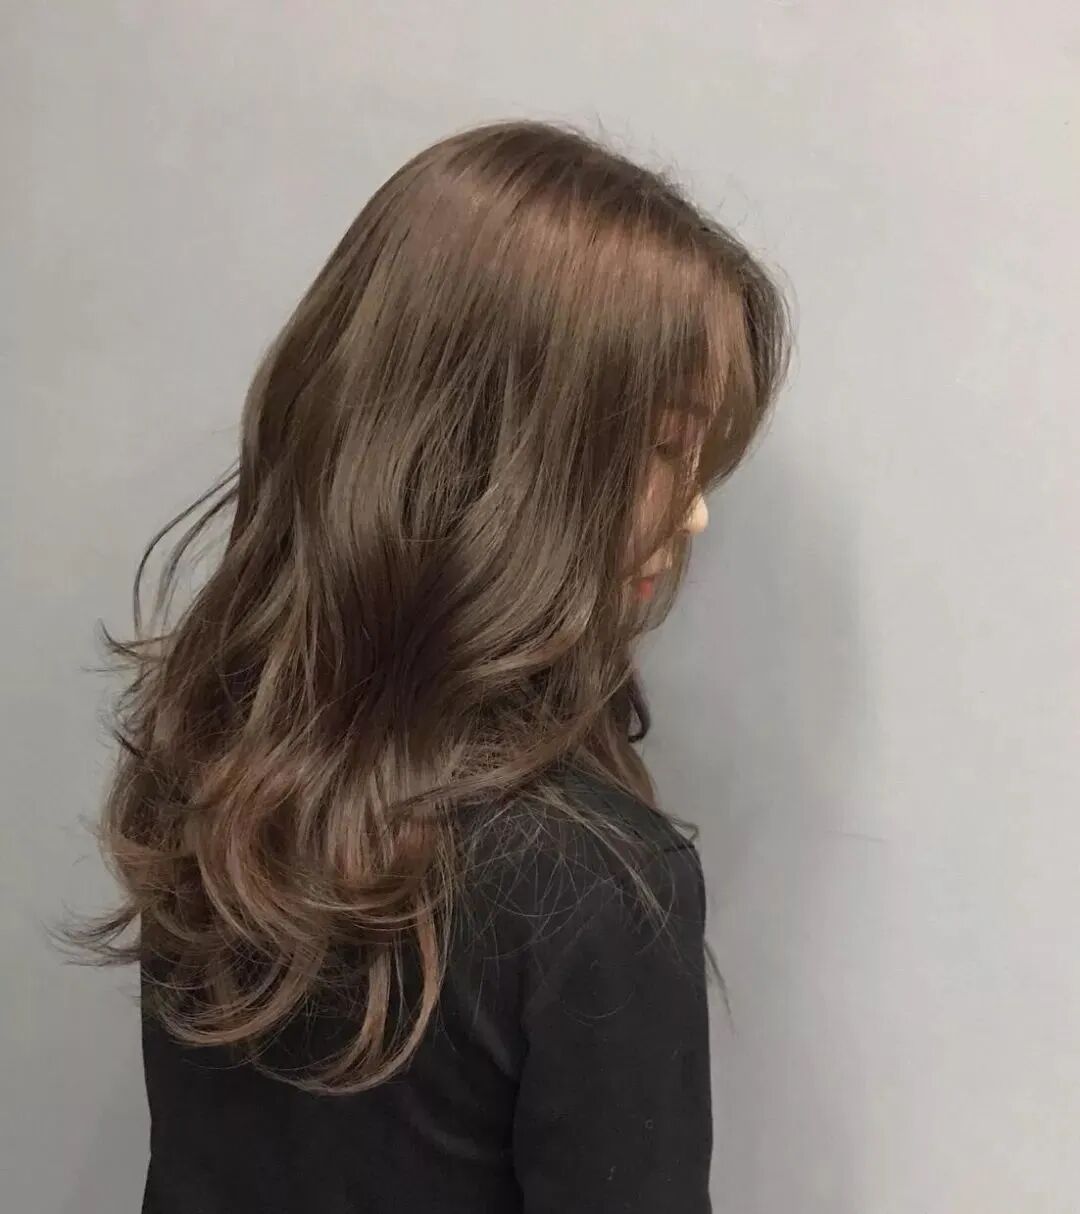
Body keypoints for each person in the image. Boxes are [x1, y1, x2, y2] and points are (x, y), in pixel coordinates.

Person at [74, 119, 790, 1213]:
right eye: (662, 446)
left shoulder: (215, 772)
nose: (692, 511)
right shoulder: (588, 885)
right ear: (500, 448)